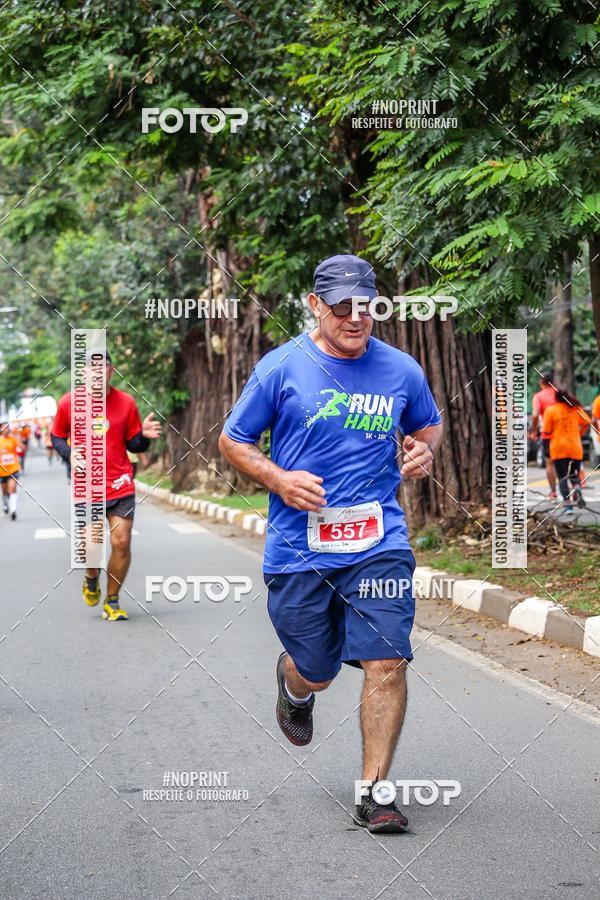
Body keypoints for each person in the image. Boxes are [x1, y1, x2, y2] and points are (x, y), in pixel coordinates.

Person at [219, 254, 443, 834]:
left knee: (387, 659)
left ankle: (375, 792)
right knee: (317, 670)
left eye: (365, 306)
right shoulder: (281, 368)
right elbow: (234, 440)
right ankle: (296, 685)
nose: (355, 317)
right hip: (300, 549)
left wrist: (424, 448)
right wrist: (278, 479)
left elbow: (427, 423)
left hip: (379, 542)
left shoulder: (401, 369)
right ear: (315, 306)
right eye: (341, 306)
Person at [52, 349, 161, 620]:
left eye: (104, 367)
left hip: (120, 483)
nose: (98, 373)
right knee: (91, 548)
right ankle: (91, 578)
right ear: (84, 372)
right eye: (92, 368)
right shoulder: (69, 403)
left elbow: (133, 443)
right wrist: (70, 454)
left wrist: (144, 437)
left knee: (121, 541)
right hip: (87, 487)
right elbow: (57, 437)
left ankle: (112, 600)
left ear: (112, 371)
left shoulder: (126, 403)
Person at [542, 388, 590, 514]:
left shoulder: (551, 410)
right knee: (574, 474)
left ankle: (568, 506)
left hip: (558, 448)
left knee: (563, 476)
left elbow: (546, 431)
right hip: (575, 447)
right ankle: (577, 489)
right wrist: (579, 433)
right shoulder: (575, 409)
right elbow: (587, 422)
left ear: (556, 398)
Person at [531, 372, 558, 498]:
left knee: (549, 464)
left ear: (542, 383)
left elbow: (535, 414)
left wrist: (534, 430)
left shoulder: (538, 396)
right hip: (565, 434)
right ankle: (573, 488)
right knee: (565, 462)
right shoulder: (561, 394)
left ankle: (553, 491)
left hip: (548, 434)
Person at [0, 421, 21, 520]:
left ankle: (13, 510)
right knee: (4, 491)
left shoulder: (13, 439)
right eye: (4, 428)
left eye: (8, 427)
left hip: (13, 469)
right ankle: (6, 504)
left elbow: (21, 447)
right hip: (2, 471)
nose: (7, 429)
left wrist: (17, 435)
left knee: (12, 488)